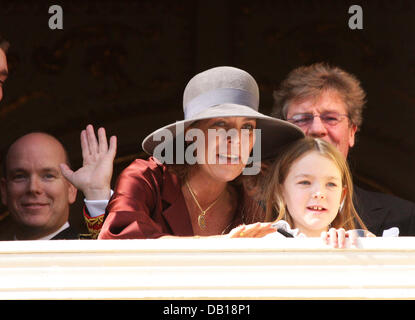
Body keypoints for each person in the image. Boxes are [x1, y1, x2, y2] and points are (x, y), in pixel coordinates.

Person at [98, 66, 304, 239]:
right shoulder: (146, 179)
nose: (236, 139)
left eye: (247, 127)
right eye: (220, 124)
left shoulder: (254, 202)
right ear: (191, 134)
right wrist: (217, 246)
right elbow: (119, 239)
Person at [272, 62, 415, 236]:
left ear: (352, 132)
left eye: (331, 118)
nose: (317, 129)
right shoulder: (253, 216)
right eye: (302, 118)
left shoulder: (404, 216)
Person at [0, 125, 116, 240]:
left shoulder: (89, 255)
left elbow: (115, 256)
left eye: (48, 176)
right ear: (4, 191)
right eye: (20, 176)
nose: (33, 188)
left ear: (71, 188)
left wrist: (97, 195)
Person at [261, 137, 371, 248]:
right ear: (281, 192)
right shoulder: (264, 244)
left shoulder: (355, 243)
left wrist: (370, 246)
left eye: (331, 184)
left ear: (342, 196)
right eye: (305, 182)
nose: (319, 194)